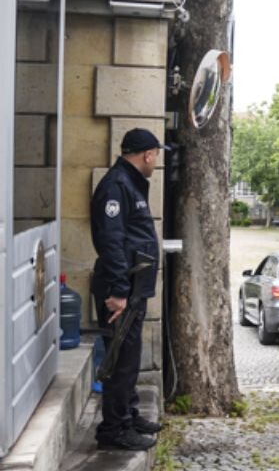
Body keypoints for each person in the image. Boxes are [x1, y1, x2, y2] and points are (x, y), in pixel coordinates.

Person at [90, 128, 167, 451]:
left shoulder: (129, 184)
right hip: (120, 289)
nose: (156, 162)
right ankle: (114, 430)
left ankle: (128, 414)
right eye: (156, 156)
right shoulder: (117, 186)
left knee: (128, 358)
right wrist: (120, 290)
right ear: (147, 154)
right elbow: (112, 241)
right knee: (120, 361)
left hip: (133, 287)